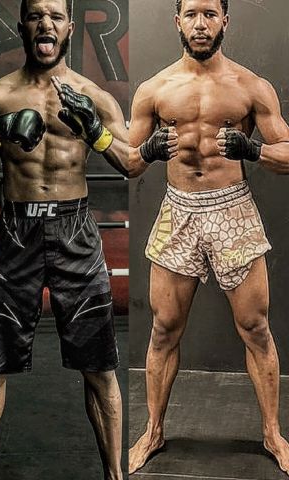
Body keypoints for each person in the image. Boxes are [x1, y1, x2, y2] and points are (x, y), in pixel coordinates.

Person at [0, 0, 128, 478]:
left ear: (69, 27)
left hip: (75, 229)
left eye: (55, 16)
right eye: (37, 15)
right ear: (22, 26)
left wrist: (94, 130)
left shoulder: (94, 96)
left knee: (99, 367)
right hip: (16, 230)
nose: (45, 24)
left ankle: (115, 475)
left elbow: (131, 160)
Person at [128, 0, 289, 475]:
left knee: (255, 328)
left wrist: (253, 150)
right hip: (178, 211)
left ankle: (272, 434)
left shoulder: (251, 86)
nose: (201, 24)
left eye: (210, 14)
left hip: (232, 210)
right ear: (177, 20)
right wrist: (148, 150)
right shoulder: (154, 89)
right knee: (163, 329)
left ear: (225, 21)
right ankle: (154, 431)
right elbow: (128, 160)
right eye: (192, 14)